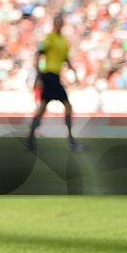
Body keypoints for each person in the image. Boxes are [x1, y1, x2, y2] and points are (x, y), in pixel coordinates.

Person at [25, 14, 83, 153]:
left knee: (43, 108)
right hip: (48, 76)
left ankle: (30, 140)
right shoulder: (49, 38)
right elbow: (39, 52)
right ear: (54, 24)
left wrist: (73, 71)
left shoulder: (63, 41)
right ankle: (71, 142)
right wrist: (39, 74)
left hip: (54, 77)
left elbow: (65, 58)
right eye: (56, 22)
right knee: (67, 106)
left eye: (60, 22)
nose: (58, 24)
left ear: (62, 24)